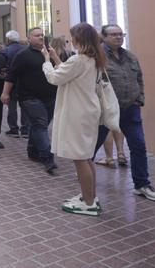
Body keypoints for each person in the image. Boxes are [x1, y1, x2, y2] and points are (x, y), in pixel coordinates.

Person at [42, 23, 107, 216]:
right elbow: (70, 75)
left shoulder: (79, 60)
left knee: (80, 158)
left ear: (79, 39)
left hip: (78, 112)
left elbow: (55, 79)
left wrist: (46, 62)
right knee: (86, 156)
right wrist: (55, 57)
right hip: (88, 110)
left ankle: (88, 203)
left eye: (73, 37)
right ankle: (90, 196)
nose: (71, 40)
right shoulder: (93, 59)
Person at [95, 24, 155, 202]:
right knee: (92, 145)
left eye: (120, 34)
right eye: (113, 35)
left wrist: (139, 99)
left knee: (138, 145)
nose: (118, 37)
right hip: (107, 110)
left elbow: (139, 78)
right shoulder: (97, 57)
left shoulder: (130, 57)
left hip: (130, 109)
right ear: (103, 37)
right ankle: (84, 177)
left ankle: (142, 184)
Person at [2, 28, 58, 174]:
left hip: (51, 96)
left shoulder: (50, 53)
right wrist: (5, 93)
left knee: (38, 124)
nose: (41, 37)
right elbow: (11, 76)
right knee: (40, 125)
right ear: (29, 39)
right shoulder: (22, 55)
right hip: (29, 98)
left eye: (42, 35)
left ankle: (32, 151)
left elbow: (61, 70)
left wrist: (55, 56)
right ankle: (47, 158)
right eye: (37, 35)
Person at [2, 30, 29, 137]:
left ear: (8, 39)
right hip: (24, 82)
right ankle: (25, 129)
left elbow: (2, 66)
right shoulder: (26, 49)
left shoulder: (5, 51)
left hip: (10, 82)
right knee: (25, 107)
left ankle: (13, 129)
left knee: (11, 106)